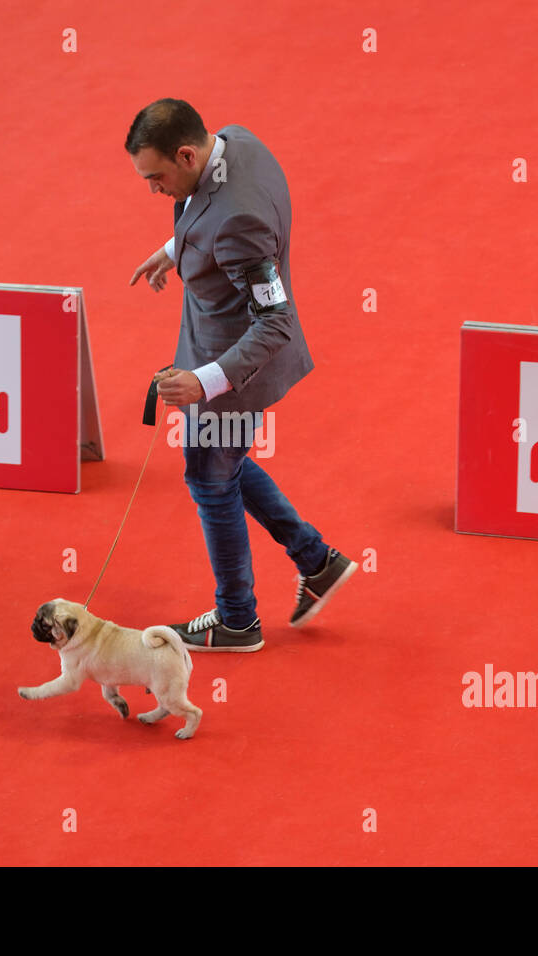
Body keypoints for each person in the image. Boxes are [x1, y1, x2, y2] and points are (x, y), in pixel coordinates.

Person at [125, 98, 356, 652]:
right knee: (223, 469)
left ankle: (237, 621)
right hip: (217, 353)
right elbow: (209, 211)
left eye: (157, 178)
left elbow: (275, 321)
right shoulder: (236, 141)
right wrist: (174, 247)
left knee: (209, 480)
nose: (154, 191)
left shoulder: (240, 224)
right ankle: (316, 561)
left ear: (186, 153)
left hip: (230, 374)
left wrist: (203, 383)